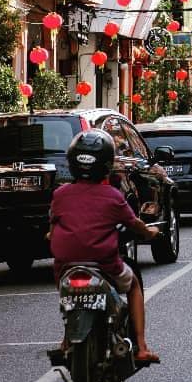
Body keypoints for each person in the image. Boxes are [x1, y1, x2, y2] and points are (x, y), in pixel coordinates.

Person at [49, 130, 161, 364]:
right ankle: (141, 346)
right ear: (107, 165)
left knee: (69, 298)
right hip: (104, 264)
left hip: (65, 268)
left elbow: (53, 225)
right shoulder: (112, 196)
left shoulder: (60, 194)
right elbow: (135, 224)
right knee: (133, 286)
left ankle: (66, 341)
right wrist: (150, 232)